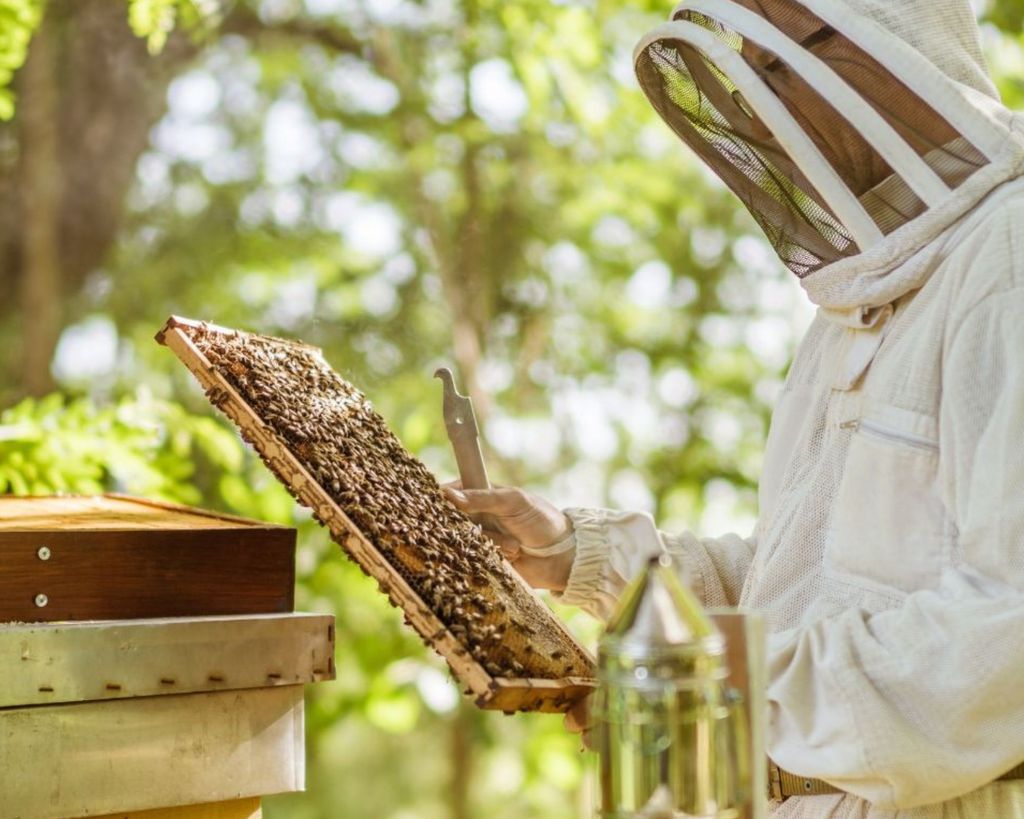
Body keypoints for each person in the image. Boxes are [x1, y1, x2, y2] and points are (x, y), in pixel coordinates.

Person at [447, 0, 1024, 815]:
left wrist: (695, 682)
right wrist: (580, 552)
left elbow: (1005, 635)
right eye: (750, 71)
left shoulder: (1009, 258)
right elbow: (790, 583)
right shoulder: (854, 304)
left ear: (881, 49)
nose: (760, 104)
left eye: (781, 64)